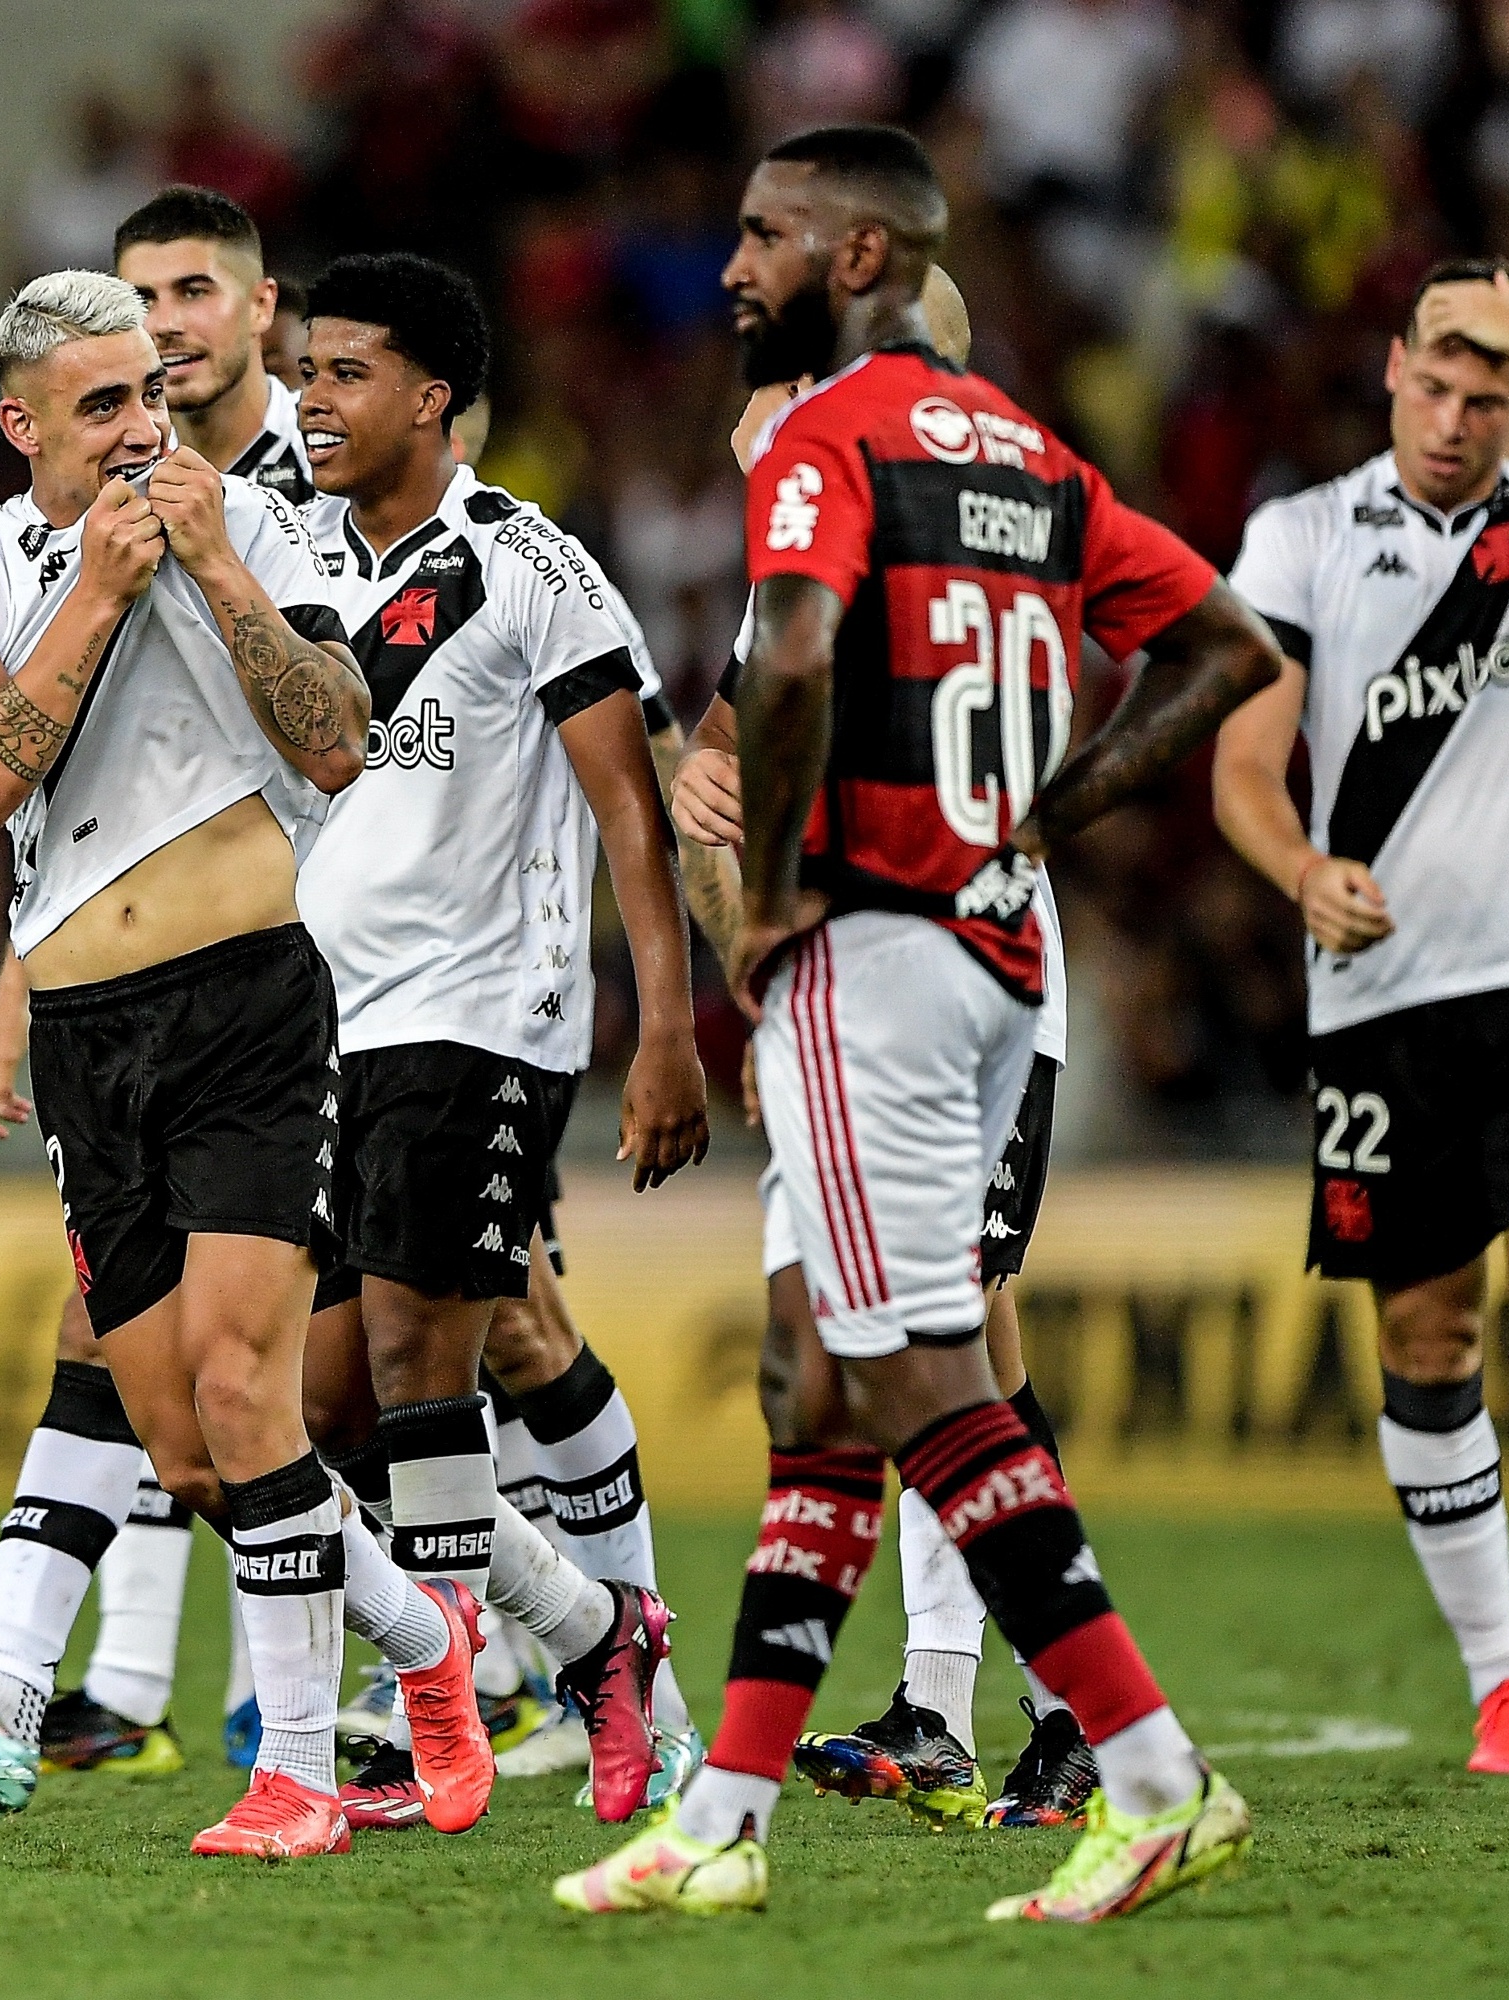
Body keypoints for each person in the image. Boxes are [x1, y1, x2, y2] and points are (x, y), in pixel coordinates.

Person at [555, 123, 1281, 1923]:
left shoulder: (823, 435)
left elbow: (788, 657)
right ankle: (723, 1817)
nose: (731, 269)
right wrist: (1059, 810)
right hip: (990, 955)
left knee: (911, 1376)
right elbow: (1225, 648)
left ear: (860, 257)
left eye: (762, 236)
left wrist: (785, 885)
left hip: (867, 950)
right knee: (820, 1385)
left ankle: (1148, 1771)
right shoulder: (1036, 459)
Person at [0, 268, 491, 1863]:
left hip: (257, 1003)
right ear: (24, 420)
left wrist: (213, 572)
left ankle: (300, 1779)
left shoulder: (267, 527)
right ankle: (433, 1641)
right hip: (86, 1036)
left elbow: (339, 741)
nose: (140, 429)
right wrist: (104, 593)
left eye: (157, 396)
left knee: (250, 1389)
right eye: (103, 402)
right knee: (180, 1444)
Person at [668, 265, 1099, 1836]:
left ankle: (1065, 1725)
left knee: (945, 1335)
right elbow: (722, 755)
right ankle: (947, 1712)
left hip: (956, 971)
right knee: (889, 1347)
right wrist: (733, 891)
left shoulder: (952, 524)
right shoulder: (826, 523)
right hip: (855, 988)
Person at [289, 251, 710, 1827]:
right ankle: (601, 1637)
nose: (313, 399)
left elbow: (627, 807)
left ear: (433, 398)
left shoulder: (533, 564)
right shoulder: (295, 558)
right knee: (319, 1407)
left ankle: (436, 1718)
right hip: (320, 1020)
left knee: (418, 1358)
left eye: (345, 373)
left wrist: (660, 1029)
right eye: (310, 369)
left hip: (481, 1011)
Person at [1214, 257, 1509, 1776]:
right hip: (1386, 998)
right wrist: (1297, 866)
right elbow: (1243, 763)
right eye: (1434, 383)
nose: (1453, 419)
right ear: (1389, 368)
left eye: (1488, 391)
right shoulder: (1304, 535)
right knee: (1429, 1333)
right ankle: (1500, 1675)